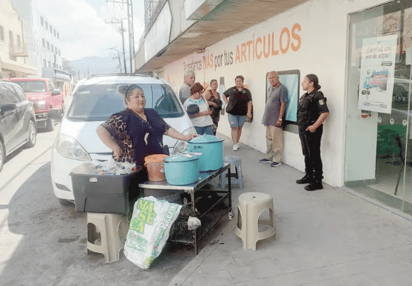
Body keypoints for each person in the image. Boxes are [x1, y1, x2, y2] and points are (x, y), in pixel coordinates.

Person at [97, 84, 196, 167]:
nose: (141, 99)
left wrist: (185, 137)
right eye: (136, 96)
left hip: (155, 164)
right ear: (127, 100)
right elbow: (101, 130)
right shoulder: (122, 117)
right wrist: (115, 148)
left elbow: (166, 129)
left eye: (143, 96)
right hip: (133, 167)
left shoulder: (151, 113)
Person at [296, 74, 329, 191]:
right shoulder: (305, 96)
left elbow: (324, 113)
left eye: (305, 81)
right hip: (303, 128)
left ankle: (317, 181)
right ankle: (309, 176)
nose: (302, 83)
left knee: (314, 155)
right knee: (306, 153)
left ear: (312, 83)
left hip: (312, 130)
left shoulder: (318, 96)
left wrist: (314, 126)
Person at [260, 71, 287, 167]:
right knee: (269, 139)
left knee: (277, 141)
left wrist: (280, 119)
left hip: (276, 119)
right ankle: (269, 157)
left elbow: (283, 104)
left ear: (278, 77)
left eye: (273, 78)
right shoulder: (270, 88)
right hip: (268, 118)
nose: (271, 80)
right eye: (270, 78)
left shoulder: (282, 89)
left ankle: (277, 159)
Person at [223, 75, 252, 151]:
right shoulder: (231, 90)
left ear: (242, 82)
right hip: (232, 112)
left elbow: (249, 102)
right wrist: (227, 102)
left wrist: (249, 112)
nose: (238, 82)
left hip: (242, 113)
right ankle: (235, 143)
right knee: (234, 127)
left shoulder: (246, 91)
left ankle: (237, 141)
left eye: (240, 81)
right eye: (237, 81)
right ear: (235, 82)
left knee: (239, 128)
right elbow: (224, 95)